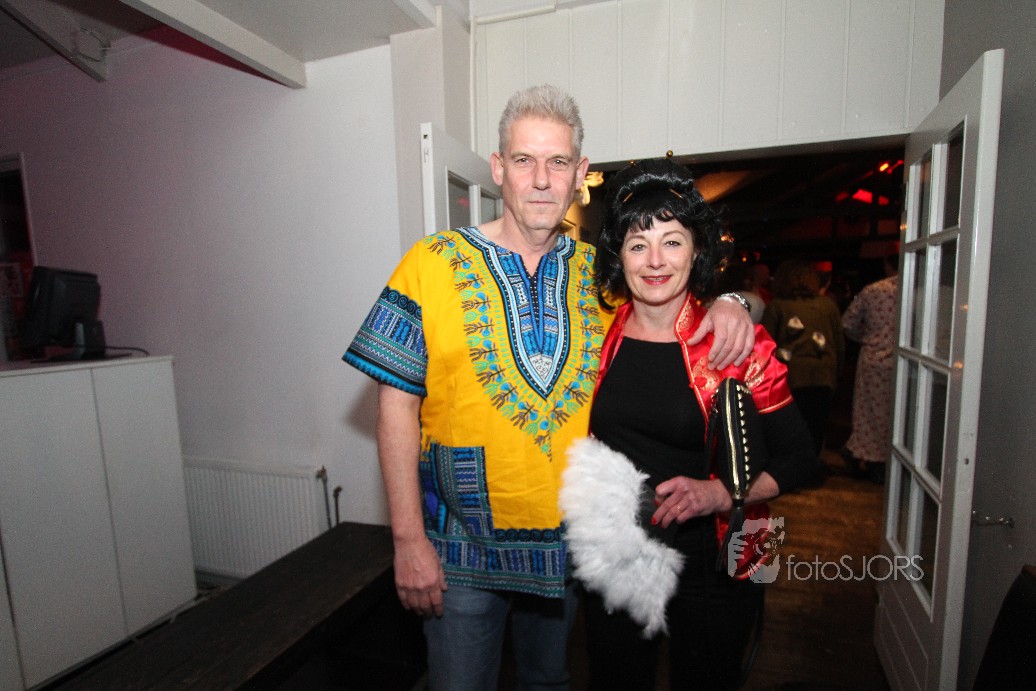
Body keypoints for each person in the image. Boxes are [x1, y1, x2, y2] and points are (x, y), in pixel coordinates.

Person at [342, 85, 756, 691]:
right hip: (459, 551)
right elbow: (396, 408)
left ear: (580, 175)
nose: (540, 180)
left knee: (550, 683)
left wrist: (736, 301)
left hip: (570, 554)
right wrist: (407, 540)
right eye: (524, 160)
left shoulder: (605, 273)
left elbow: (680, 294)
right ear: (498, 167)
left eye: (558, 162)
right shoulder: (429, 263)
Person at [579, 157, 817, 690]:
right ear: (619, 256)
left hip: (715, 557)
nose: (655, 260)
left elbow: (801, 457)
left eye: (672, 241)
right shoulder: (596, 332)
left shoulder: (737, 343)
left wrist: (719, 493)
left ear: (696, 251)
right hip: (616, 554)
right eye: (638, 245)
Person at [761, 259, 845, 457]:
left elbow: (765, 346)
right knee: (816, 427)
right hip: (822, 375)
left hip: (789, 377)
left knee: (789, 429)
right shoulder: (827, 305)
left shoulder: (777, 306)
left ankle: (791, 466)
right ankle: (811, 465)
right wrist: (837, 374)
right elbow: (839, 343)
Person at [840, 252, 899, 484]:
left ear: (887, 264)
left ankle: (865, 456)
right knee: (898, 412)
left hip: (873, 358)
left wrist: (867, 338)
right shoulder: (917, 290)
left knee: (868, 412)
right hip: (903, 361)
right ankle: (884, 460)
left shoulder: (874, 290)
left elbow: (848, 323)